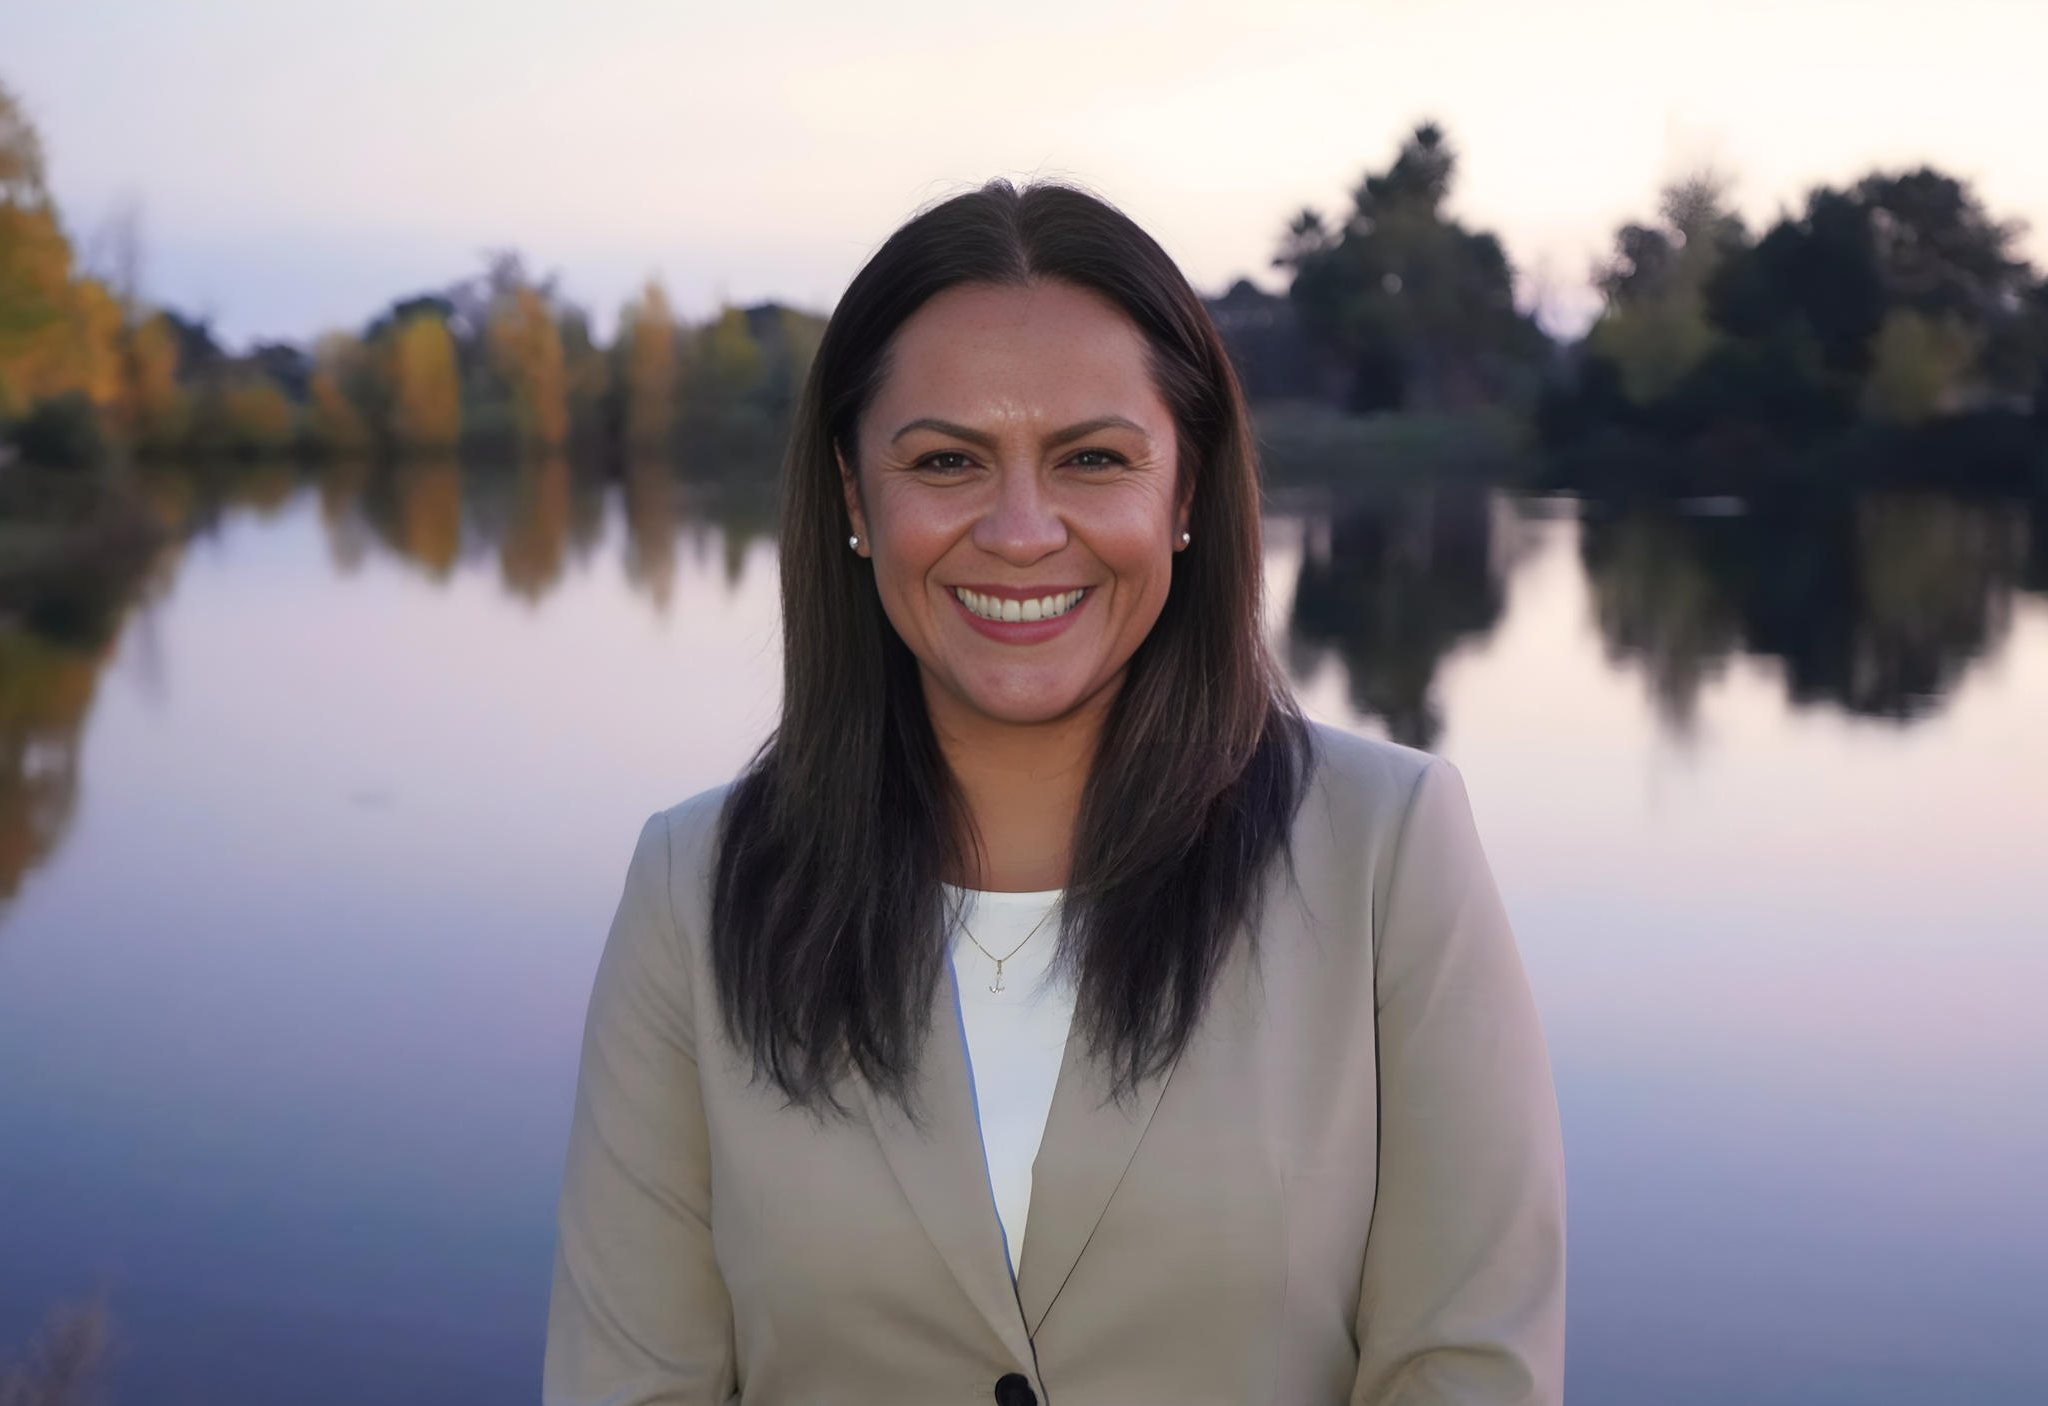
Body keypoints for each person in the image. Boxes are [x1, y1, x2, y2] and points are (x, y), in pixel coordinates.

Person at [544, 182, 1564, 1406]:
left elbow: (1466, 1371)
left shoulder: (1389, 849)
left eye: (1091, 458)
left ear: (1183, 492)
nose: (1023, 531)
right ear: (857, 501)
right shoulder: (691, 887)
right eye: (945, 461)